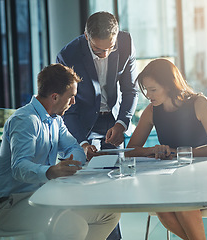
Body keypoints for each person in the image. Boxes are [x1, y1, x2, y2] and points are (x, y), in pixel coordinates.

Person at [0, 64, 120, 240]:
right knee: (75, 226)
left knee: (109, 213)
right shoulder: (25, 120)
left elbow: (73, 147)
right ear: (55, 97)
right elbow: (19, 167)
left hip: (47, 198)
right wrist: (51, 171)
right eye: (71, 97)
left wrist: (77, 157)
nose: (73, 102)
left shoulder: (55, 121)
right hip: (15, 206)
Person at [57, 11, 138, 239]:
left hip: (112, 119)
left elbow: (130, 90)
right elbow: (68, 108)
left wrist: (122, 123)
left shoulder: (125, 43)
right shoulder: (68, 55)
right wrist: (82, 141)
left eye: (109, 48)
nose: (105, 54)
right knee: (86, 185)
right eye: (98, 50)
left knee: (112, 184)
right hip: (81, 122)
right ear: (86, 37)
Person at [126, 58, 207, 240]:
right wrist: (152, 150)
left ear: (169, 85)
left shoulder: (199, 103)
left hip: (204, 175)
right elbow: (130, 151)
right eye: (146, 90)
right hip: (173, 178)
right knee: (163, 209)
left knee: (183, 204)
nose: (148, 95)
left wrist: (178, 152)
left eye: (153, 89)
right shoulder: (151, 111)